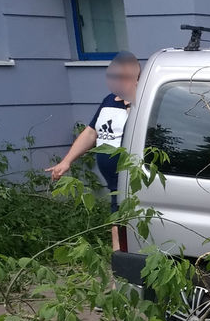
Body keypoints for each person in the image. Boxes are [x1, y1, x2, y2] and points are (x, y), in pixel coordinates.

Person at [46, 52, 140, 210]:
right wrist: (66, 161)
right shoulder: (108, 100)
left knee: (124, 219)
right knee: (116, 218)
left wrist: (130, 103)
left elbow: (138, 131)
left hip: (129, 178)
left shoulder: (140, 101)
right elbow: (91, 133)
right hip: (112, 182)